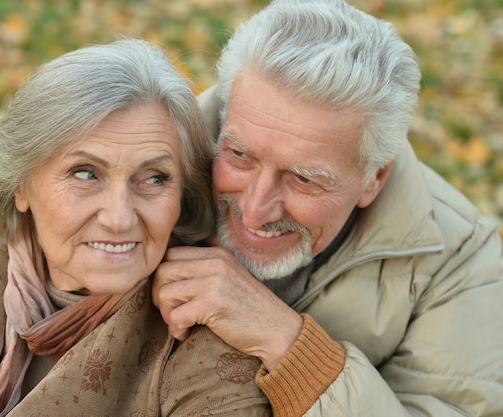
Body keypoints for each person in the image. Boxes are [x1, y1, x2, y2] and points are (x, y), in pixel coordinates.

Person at [0, 39, 271, 416]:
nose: (119, 218)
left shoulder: (203, 334)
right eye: (85, 173)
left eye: (154, 178)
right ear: (21, 185)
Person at [152, 0, 503, 416]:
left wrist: (289, 347)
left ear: (374, 178)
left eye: (304, 179)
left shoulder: (461, 262)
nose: (254, 208)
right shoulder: (133, 168)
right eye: (240, 154)